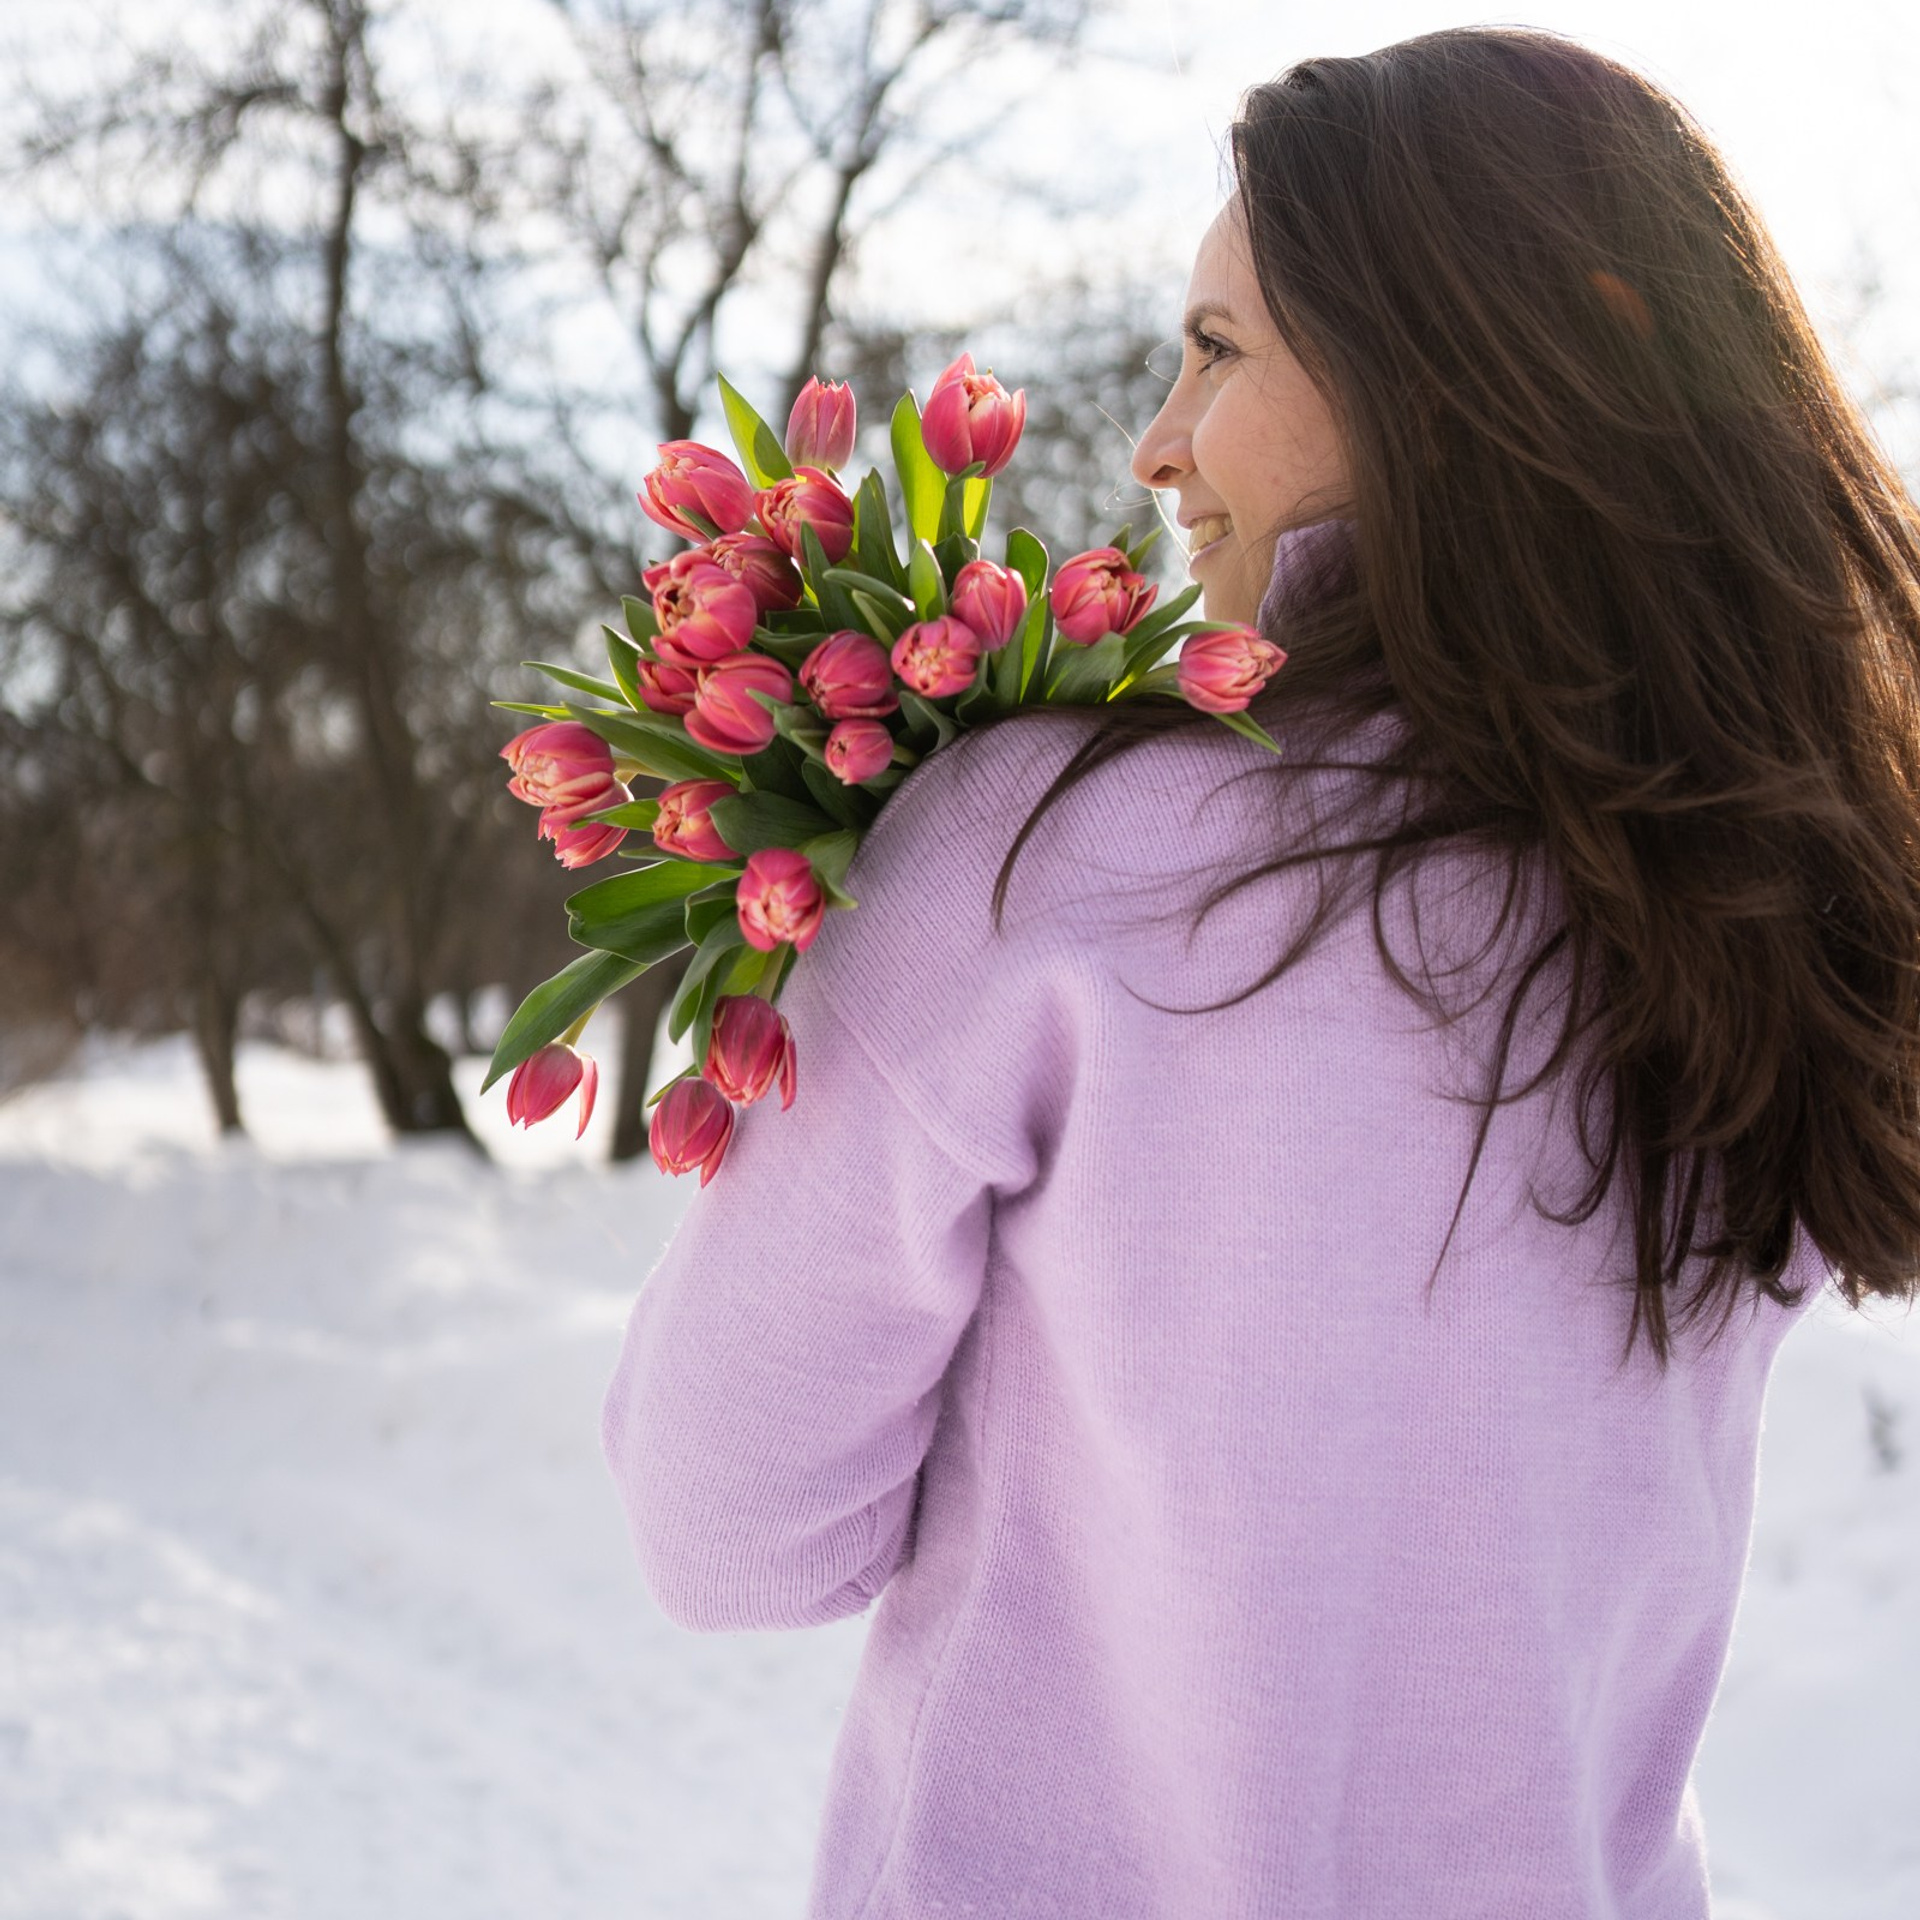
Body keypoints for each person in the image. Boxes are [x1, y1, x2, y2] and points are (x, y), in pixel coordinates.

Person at [599, 25, 1920, 1917]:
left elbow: (726, 1525)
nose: (1154, 443)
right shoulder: (1779, 901)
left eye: (1216, 350)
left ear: (1466, 371)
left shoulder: (1039, 859)